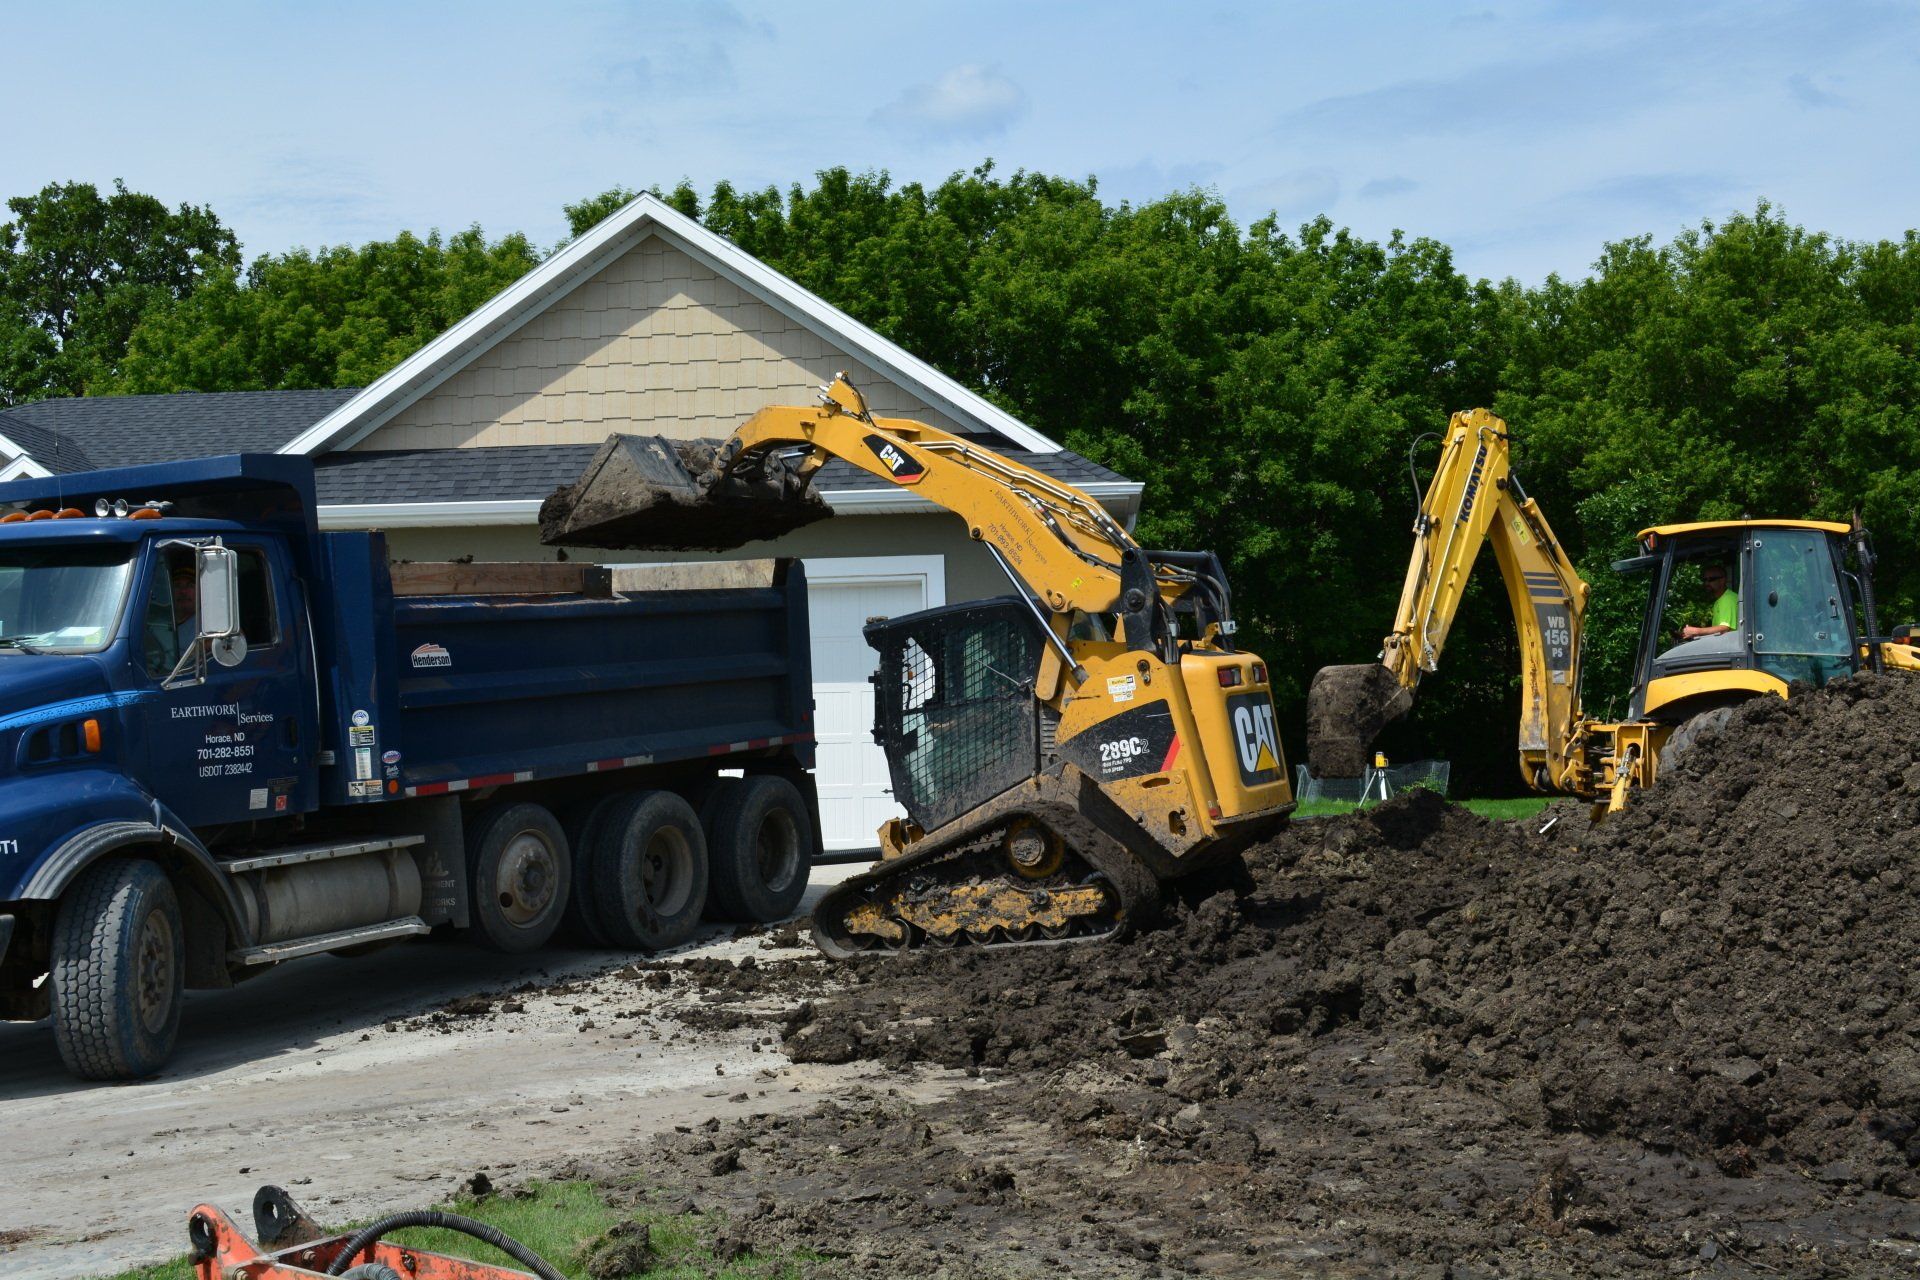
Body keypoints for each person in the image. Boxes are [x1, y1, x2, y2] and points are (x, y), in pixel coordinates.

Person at [1681, 562, 1738, 639]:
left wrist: (1696, 631)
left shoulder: (1728, 599)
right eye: (1705, 580)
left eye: (1711, 579)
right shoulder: (1719, 601)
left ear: (1722, 580)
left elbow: (1724, 629)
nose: (1706, 583)